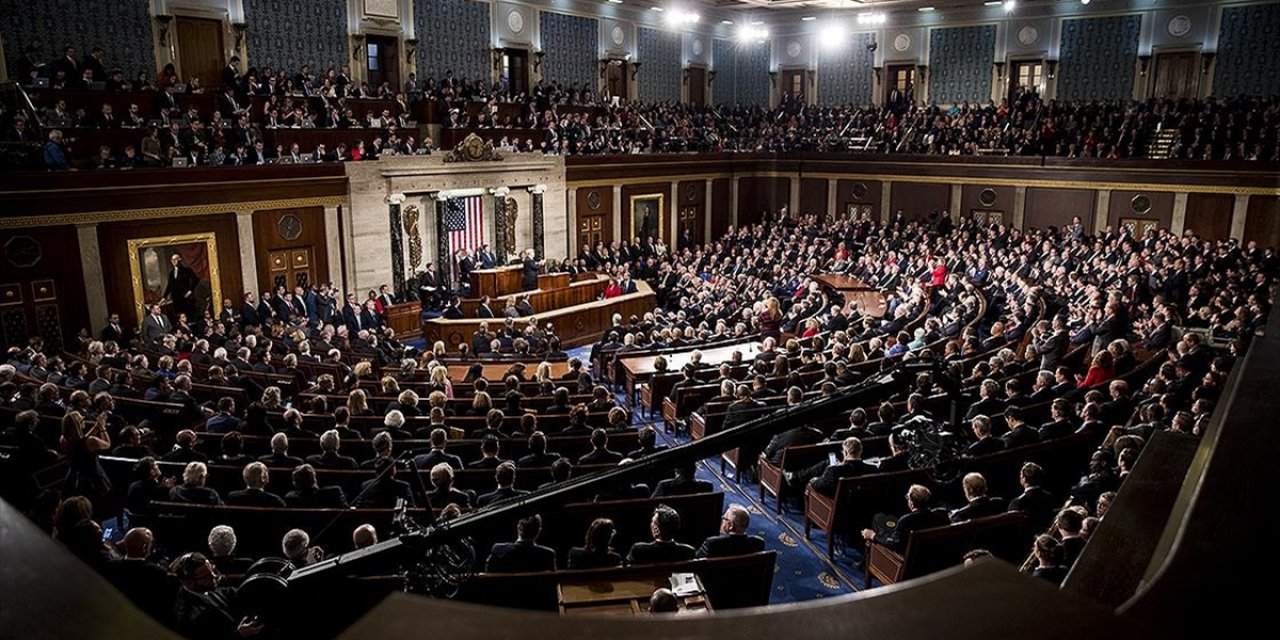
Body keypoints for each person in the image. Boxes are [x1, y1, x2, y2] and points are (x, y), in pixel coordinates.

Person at [169, 552, 264, 639]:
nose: (214, 576)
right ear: (188, 582)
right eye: (206, 577)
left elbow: (231, 592)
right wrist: (238, 635)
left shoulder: (205, 587)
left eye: (213, 571)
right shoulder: (187, 618)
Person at [860, 484, 950, 553]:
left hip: (905, 562)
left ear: (911, 503)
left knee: (875, 533)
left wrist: (873, 536)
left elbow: (894, 545)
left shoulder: (906, 521)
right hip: (931, 556)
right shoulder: (941, 514)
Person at [485, 514, 556, 572]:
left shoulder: (498, 549)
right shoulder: (548, 555)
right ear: (539, 531)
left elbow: (488, 573)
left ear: (518, 528)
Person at [627, 505, 696, 564]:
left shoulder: (639, 551)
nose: (651, 524)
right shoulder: (688, 552)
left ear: (656, 529)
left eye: (653, 522)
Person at [696, 504, 766, 558]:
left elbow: (695, 562)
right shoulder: (758, 543)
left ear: (731, 525)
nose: (722, 521)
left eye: (724, 518)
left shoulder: (712, 543)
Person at [163, 253, 201, 320]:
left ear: (180, 260)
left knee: (189, 316)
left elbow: (196, 279)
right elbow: (169, 286)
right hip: (176, 299)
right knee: (178, 317)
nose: (174, 261)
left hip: (186, 298)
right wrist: (164, 297)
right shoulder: (171, 273)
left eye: (176, 259)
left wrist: (190, 291)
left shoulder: (187, 270)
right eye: (172, 260)